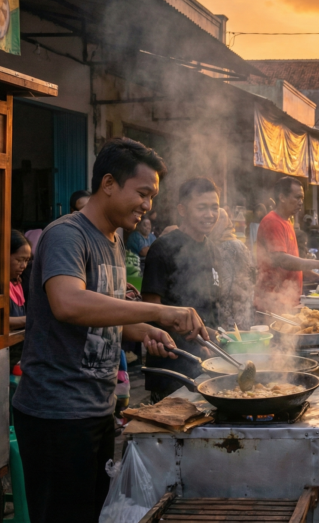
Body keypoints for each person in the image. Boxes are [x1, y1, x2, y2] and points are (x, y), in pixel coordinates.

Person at [12, 138, 207, 523]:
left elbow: (105, 313)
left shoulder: (114, 239)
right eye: (143, 193)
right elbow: (68, 303)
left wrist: (146, 328)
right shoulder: (67, 235)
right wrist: (161, 311)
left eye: (152, 196)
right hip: (56, 413)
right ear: (108, 184)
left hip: (96, 410)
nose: (148, 204)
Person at [141, 177, 222, 401]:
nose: (210, 214)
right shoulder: (163, 248)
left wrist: (218, 337)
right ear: (182, 210)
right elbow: (150, 309)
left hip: (208, 365)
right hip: (172, 367)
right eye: (202, 208)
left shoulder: (213, 249)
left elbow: (211, 307)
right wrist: (190, 341)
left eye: (214, 207)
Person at [256, 177, 319, 314]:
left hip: (289, 301)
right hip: (273, 302)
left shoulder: (287, 222)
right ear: (282, 197)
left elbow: (292, 261)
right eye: (297, 198)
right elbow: (281, 259)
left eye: (302, 198)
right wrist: (318, 264)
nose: (301, 203)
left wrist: (310, 274)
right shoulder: (273, 222)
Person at [211, 209, 255, 330]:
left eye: (221, 219)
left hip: (236, 312)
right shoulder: (212, 245)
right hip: (223, 311)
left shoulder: (235, 246)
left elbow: (246, 280)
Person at [9, 229, 31, 331]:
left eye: (26, 261)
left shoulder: (17, 283)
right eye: (19, 260)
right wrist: (31, 320)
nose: (24, 266)